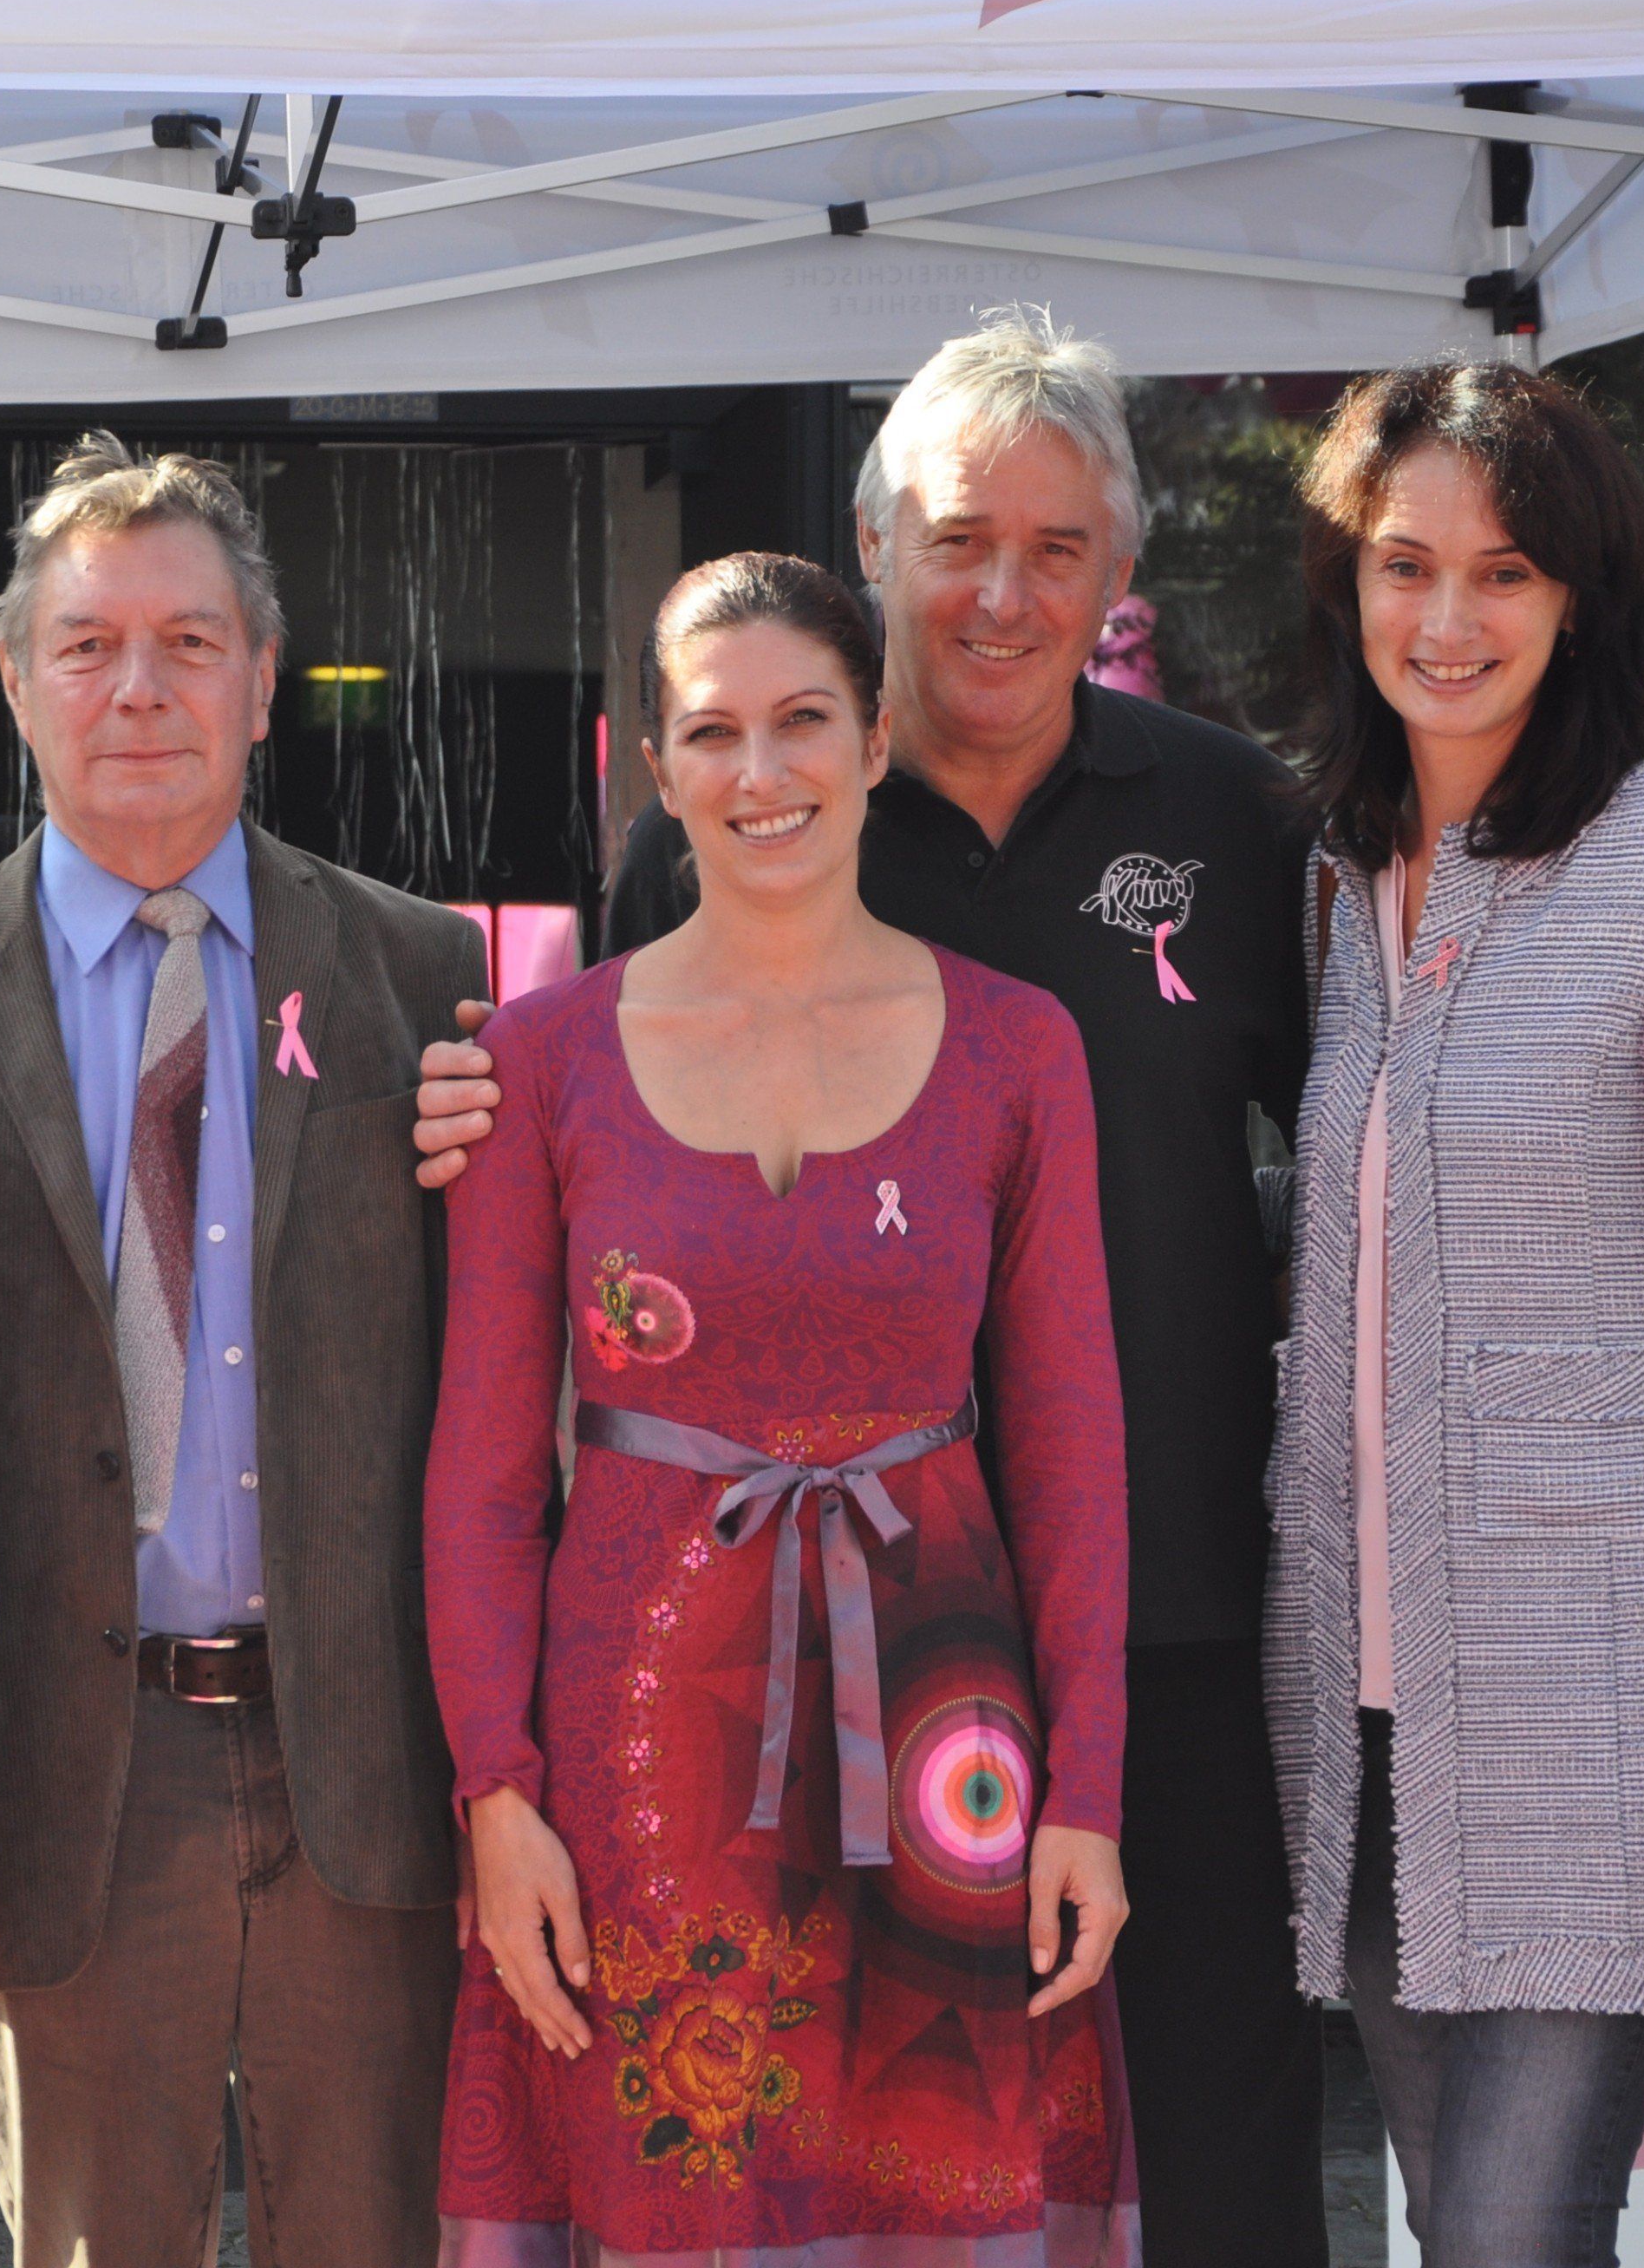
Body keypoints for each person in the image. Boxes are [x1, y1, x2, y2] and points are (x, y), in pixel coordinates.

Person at [419, 307, 1329, 2266]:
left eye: (1057, 547)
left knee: (1204, 2153)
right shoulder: (730, 847)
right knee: (745, 2176)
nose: (1003, 591)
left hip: (1146, 1621)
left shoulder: (1234, 824)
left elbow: (1348, 1167)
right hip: (734, 1667)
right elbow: (593, 1183)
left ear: (1120, 574)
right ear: (874, 548)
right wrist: (461, 1101)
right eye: (954, 538)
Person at [427, 552, 1135, 2261]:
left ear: (875, 734)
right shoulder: (542, 1062)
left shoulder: (1018, 1049)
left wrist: (1088, 1795)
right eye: (713, 732)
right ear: (654, 769)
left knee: (932, 2198)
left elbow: (1069, 1447)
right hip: (630, 1751)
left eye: (802, 719)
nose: (762, 775)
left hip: (946, 1728)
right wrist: (493, 1791)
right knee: (667, 2185)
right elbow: (483, 1467)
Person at [0, 433, 491, 2268]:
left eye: (191, 642)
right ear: (15, 682)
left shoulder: (425, 978)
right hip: (58, 1770)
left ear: (264, 681)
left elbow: (501, 1403)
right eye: (89, 643)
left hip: (360, 1766)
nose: (140, 687)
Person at [1264, 360, 1644, 2266]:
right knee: (1451, 2222)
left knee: (1516, 2231)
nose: (1445, 623)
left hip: (1608, 1698)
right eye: (1403, 565)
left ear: (1582, 597)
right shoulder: (1337, 879)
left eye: (1505, 574)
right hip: (1364, 1702)